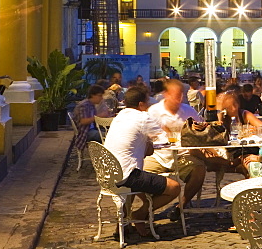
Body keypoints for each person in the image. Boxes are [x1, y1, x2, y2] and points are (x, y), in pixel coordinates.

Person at [105, 86, 182, 235]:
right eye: (147, 103)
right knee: (174, 187)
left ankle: (123, 223)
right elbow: (164, 138)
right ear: (141, 104)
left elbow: (147, 151)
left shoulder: (119, 117)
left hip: (108, 173)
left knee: (142, 187)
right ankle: (139, 215)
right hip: (128, 176)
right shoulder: (142, 117)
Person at [145, 79, 206, 206]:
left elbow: (201, 131)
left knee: (199, 170)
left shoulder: (188, 110)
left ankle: (182, 205)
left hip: (182, 155)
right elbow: (147, 136)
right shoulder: (154, 111)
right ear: (166, 94)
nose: (179, 98)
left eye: (181, 95)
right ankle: (145, 209)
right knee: (136, 174)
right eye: (175, 95)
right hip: (158, 156)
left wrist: (200, 128)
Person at [70, 85, 107, 158]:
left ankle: (103, 158)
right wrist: (99, 117)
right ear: (92, 95)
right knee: (108, 136)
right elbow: (83, 121)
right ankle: (105, 159)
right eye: (100, 96)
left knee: (109, 132)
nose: (101, 98)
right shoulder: (84, 105)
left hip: (92, 129)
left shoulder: (91, 105)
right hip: (85, 132)